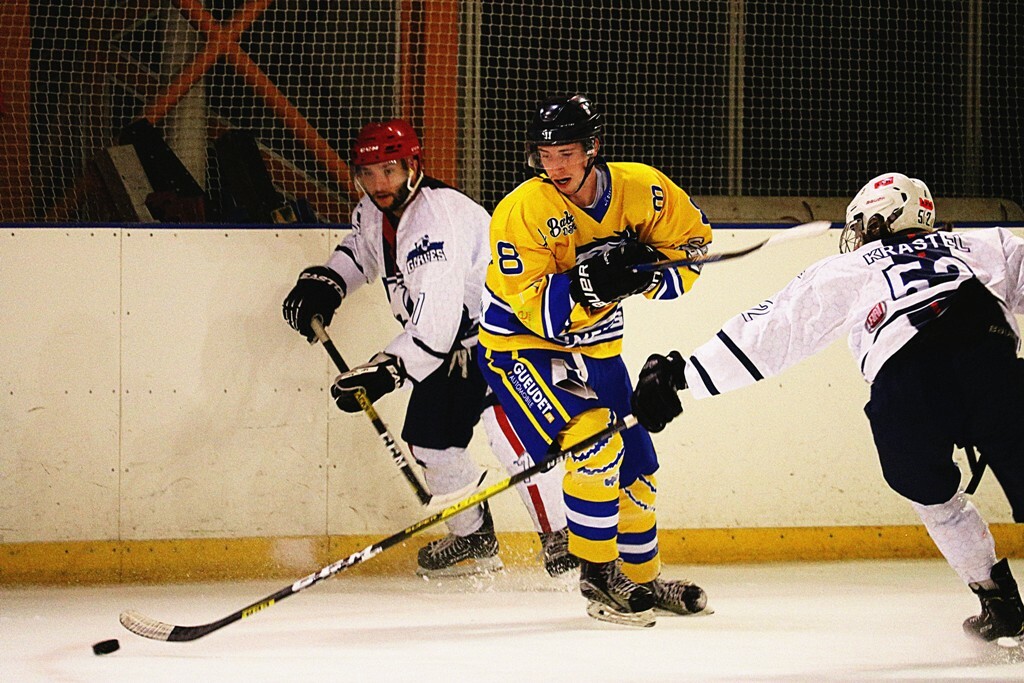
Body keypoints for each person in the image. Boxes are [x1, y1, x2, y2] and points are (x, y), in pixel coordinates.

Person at [631, 172, 1024, 643]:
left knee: (932, 495)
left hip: (907, 381)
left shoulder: (852, 267)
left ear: (879, 220)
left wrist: (684, 374)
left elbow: (776, 328)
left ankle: (998, 601)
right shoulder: (984, 243)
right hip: (990, 357)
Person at [282, 119, 576, 578]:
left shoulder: (435, 220)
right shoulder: (375, 211)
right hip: (452, 344)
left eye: (389, 170)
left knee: (508, 429)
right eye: (369, 173)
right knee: (430, 441)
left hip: (504, 334)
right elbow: (361, 252)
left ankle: (565, 536)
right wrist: (330, 282)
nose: (379, 184)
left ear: (413, 166)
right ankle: (473, 539)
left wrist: (385, 372)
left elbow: (435, 326)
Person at [477, 94, 713, 626]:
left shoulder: (642, 189)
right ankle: (598, 574)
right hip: (523, 348)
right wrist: (591, 282)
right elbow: (535, 311)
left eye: (565, 153)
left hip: (600, 347)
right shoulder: (522, 210)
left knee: (638, 467)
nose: (555, 166)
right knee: (595, 438)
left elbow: (693, 247)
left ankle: (642, 577)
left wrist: (649, 273)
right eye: (545, 155)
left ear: (593, 149)